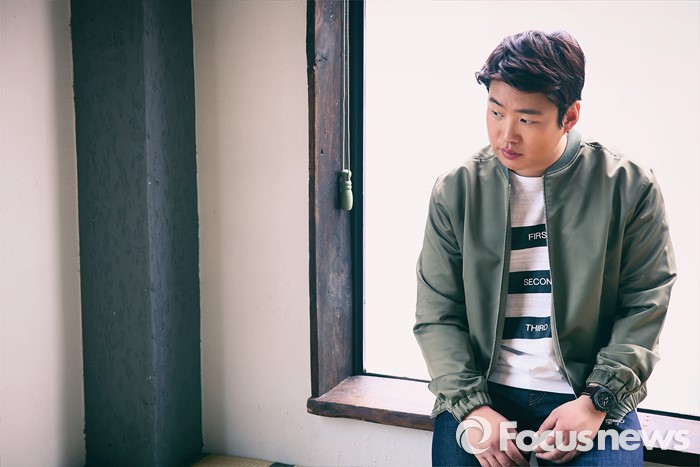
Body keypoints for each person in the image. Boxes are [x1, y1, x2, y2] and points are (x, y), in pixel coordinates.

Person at [413, 30, 676, 466]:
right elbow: (437, 312)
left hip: (587, 390)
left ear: (569, 116)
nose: (506, 134)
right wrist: (472, 408)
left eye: (527, 119)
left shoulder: (628, 186)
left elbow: (645, 303)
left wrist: (597, 401)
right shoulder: (457, 190)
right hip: (482, 390)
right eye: (495, 112)